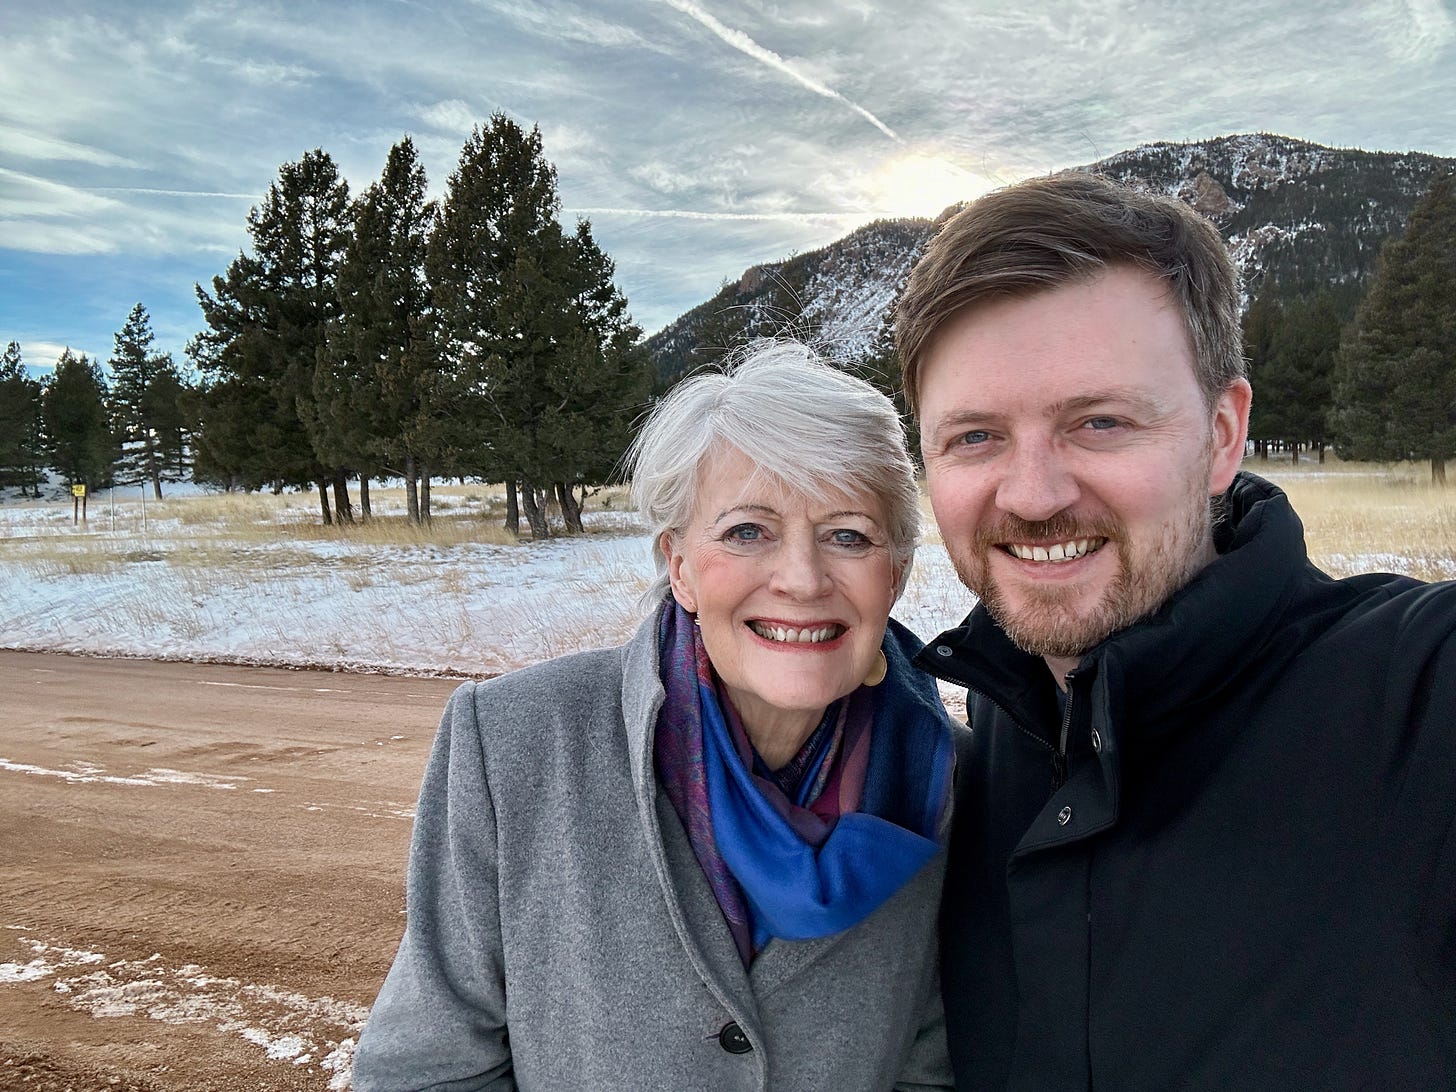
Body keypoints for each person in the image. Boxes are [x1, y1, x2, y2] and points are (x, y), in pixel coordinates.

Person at [893, 172, 1456, 1091]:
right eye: (975, 438)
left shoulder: (1414, 702)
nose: (1033, 494)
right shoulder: (984, 753)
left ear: (1223, 435)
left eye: (1101, 422)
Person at [351, 341, 957, 1091]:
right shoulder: (514, 741)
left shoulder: (948, 778)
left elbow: (935, 1070)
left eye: (848, 535)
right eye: (747, 531)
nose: (801, 579)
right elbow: (426, 1073)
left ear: (893, 574)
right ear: (679, 567)